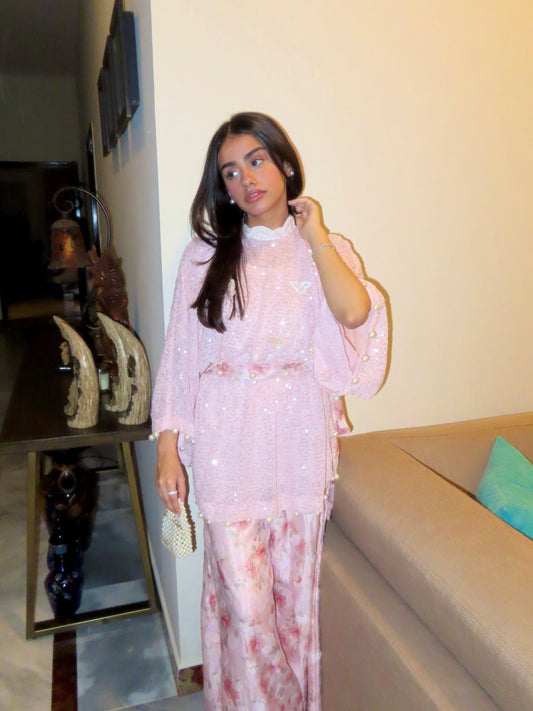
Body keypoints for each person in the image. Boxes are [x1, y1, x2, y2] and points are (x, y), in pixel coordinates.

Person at [151, 111, 388, 711]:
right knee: (248, 609)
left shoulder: (322, 250)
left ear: (283, 164)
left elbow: (355, 313)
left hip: (300, 446)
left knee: (294, 604)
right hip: (227, 448)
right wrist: (168, 447)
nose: (246, 179)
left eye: (256, 161)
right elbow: (179, 357)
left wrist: (317, 235)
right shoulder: (204, 258)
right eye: (230, 172)